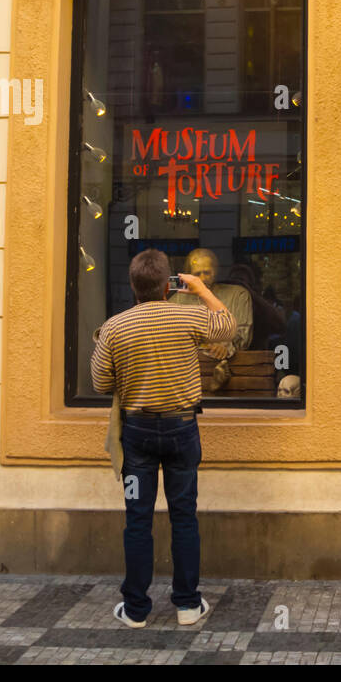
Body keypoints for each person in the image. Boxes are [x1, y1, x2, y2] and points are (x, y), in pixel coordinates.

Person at [91, 248, 237, 628]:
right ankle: (188, 604)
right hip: (181, 430)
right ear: (167, 284)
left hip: (137, 434)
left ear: (133, 285)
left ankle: (136, 609)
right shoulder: (188, 315)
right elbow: (227, 325)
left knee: (137, 519)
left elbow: (100, 382)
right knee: (184, 516)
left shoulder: (114, 327)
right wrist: (201, 290)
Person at [169, 248, 253, 390]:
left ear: (215, 271)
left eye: (207, 272)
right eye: (197, 274)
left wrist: (227, 345)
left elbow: (243, 335)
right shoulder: (175, 301)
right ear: (189, 275)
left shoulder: (238, 295)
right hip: (183, 381)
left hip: (234, 380)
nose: (202, 278)